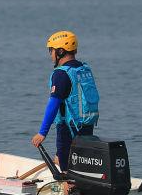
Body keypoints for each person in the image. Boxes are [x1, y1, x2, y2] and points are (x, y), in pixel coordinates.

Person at [31, 30, 99, 171]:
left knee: (67, 168)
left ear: (60, 51)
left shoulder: (61, 74)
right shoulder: (83, 69)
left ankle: (69, 188)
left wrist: (42, 133)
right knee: (77, 161)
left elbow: (53, 104)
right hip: (86, 125)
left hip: (68, 128)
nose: (51, 55)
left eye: (52, 51)